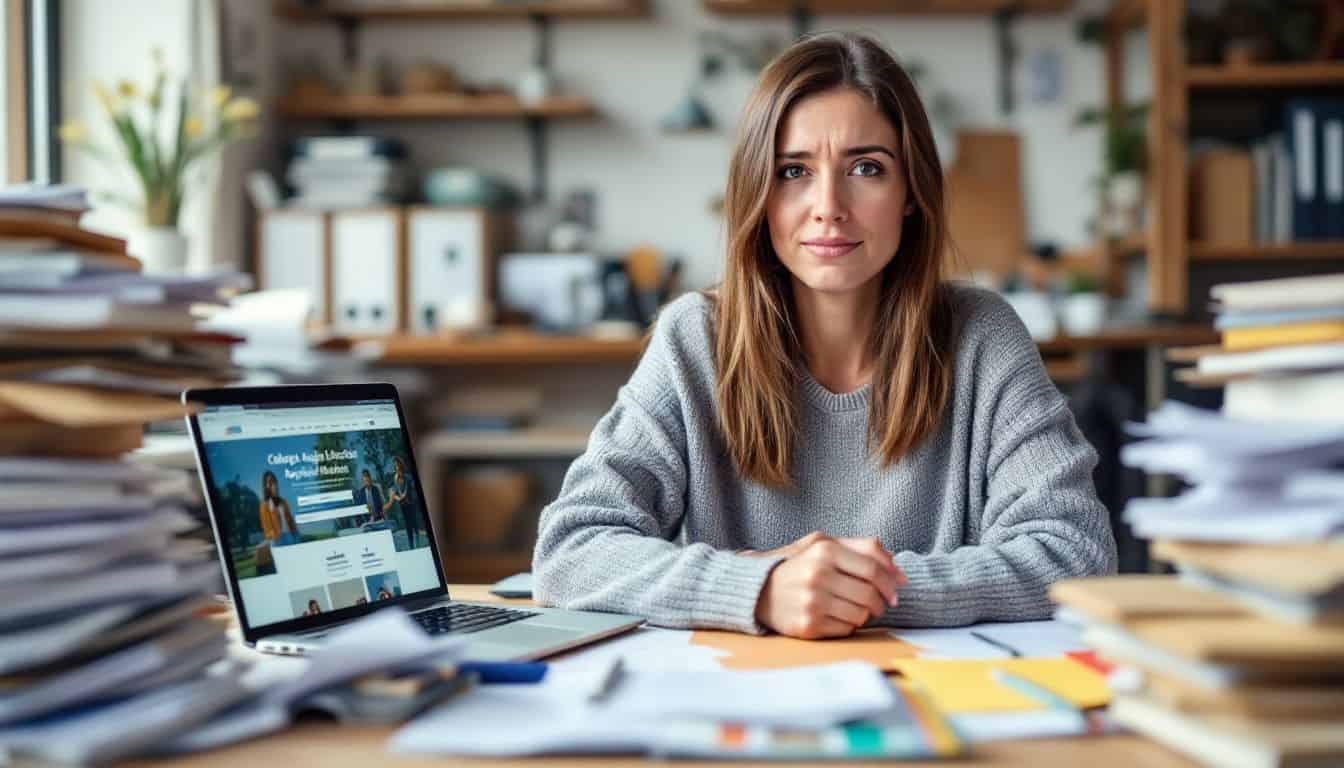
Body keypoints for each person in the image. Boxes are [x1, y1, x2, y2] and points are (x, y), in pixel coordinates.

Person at [532, 33, 1116, 640]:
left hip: (934, 699)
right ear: (757, 192)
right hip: (738, 696)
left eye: (866, 168)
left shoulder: (982, 336)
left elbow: (1075, 551)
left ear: (912, 192)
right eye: (793, 171)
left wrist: (845, 593)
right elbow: (570, 552)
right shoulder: (694, 341)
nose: (829, 206)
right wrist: (756, 591)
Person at [383, 456, 423, 549]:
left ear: (401, 465)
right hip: (403, 505)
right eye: (395, 465)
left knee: (414, 524)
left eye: (398, 464)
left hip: (410, 504)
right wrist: (398, 498)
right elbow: (394, 492)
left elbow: (409, 490)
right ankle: (411, 546)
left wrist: (405, 496)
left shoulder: (407, 477)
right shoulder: (395, 478)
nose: (397, 466)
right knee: (408, 526)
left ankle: (418, 543)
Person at [258, 471, 299, 547]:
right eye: (270, 482)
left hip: (289, 536)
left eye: (274, 481)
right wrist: (276, 536)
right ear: (265, 486)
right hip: (277, 540)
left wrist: (295, 532)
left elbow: (290, 519)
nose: (274, 485)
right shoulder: (264, 505)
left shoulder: (283, 502)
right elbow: (267, 528)